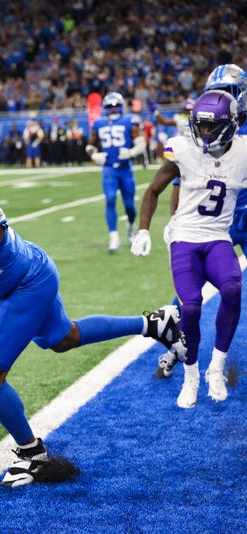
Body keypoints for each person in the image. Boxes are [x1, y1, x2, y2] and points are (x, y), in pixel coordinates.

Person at [0, 159, 187, 486]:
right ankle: (154, 324)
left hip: (27, 285)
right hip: (30, 272)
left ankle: (33, 455)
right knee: (63, 338)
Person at [131, 90, 247, 408]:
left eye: (210, 126)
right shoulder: (183, 148)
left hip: (218, 236)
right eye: (201, 125)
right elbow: (154, 189)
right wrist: (143, 229)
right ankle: (191, 375)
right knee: (191, 306)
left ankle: (216, 368)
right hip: (185, 237)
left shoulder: (243, 151)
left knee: (233, 288)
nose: (203, 132)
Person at [153, 64, 247, 380]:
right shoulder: (207, 125)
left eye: (229, 92)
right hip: (209, 222)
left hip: (242, 215)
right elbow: (182, 181)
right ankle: (176, 346)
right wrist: (177, 222)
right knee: (189, 289)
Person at [85, 92, 146, 252]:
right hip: (109, 169)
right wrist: (94, 155)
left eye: (115, 106)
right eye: (110, 107)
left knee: (130, 206)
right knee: (110, 199)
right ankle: (114, 236)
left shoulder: (129, 121)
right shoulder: (98, 123)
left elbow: (141, 143)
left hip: (125, 169)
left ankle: (131, 226)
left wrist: (131, 153)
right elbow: (90, 145)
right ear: (105, 108)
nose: (113, 110)